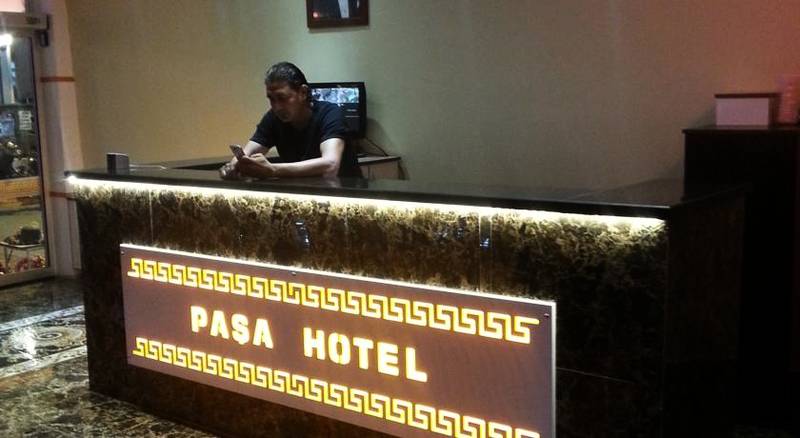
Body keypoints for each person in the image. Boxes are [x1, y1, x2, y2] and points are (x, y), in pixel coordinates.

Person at [230, 62, 360, 179]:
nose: (276, 107)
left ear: (303, 92)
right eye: (271, 99)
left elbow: (331, 165)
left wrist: (273, 170)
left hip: (346, 194)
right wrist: (233, 165)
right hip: (303, 193)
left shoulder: (330, 113)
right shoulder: (273, 118)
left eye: (282, 98)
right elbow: (247, 153)